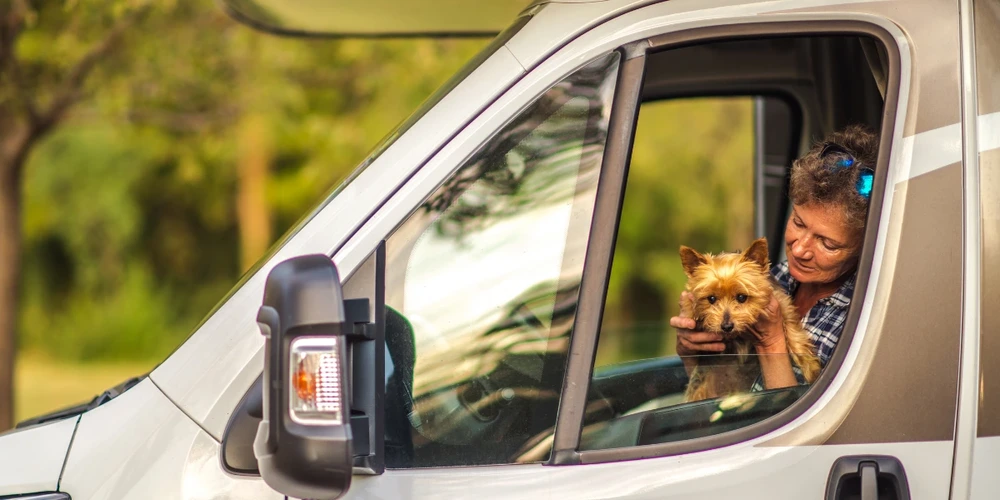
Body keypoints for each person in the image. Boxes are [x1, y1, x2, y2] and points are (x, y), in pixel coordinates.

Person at [669, 124, 880, 390]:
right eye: (798, 223)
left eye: (827, 243)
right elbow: (717, 394)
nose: (800, 249)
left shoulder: (866, 318)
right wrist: (692, 351)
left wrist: (772, 342)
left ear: (866, 244)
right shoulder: (777, 277)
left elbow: (805, 423)